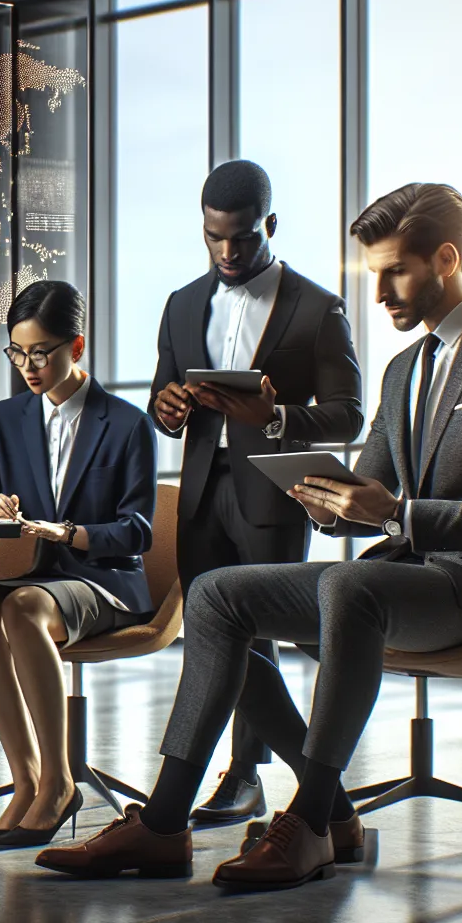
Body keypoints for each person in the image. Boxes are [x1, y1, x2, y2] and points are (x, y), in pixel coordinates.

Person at [38, 182, 462, 889]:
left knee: (351, 586)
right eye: (372, 272)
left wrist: (397, 516)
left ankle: (313, 820)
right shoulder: (404, 367)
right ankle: (165, 822)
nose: (379, 291)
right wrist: (325, 498)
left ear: (446, 258)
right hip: (407, 572)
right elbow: (368, 490)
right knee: (217, 597)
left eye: (395, 271)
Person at [146, 159, 362, 826]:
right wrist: (170, 408)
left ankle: (243, 775)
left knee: (255, 634)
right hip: (200, 495)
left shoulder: (317, 307)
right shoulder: (182, 304)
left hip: (273, 494)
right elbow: (161, 396)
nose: (228, 252)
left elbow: (350, 414)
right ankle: (293, 789)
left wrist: (274, 417)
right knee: (213, 636)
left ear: (269, 225)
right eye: (215, 238)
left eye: (242, 238)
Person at [0, 281, 158, 848]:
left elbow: (138, 530)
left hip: (105, 578)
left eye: (40, 352)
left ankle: (58, 782)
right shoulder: (6, 417)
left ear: (77, 346)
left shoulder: (125, 423)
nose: (27, 366)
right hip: (42, 574)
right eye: (16, 352)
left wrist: (70, 533)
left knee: (22, 606)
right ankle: (25, 781)